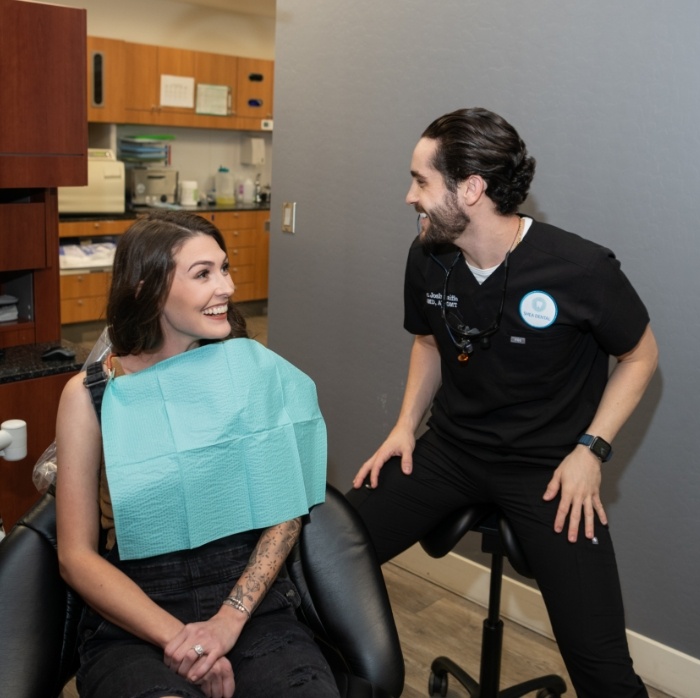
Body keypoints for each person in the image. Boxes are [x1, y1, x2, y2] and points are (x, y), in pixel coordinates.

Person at [346, 108, 658, 698]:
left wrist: (591, 450)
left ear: (471, 189)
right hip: (451, 452)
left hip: (549, 469)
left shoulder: (581, 268)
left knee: (605, 672)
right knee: (326, 557)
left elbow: (641, 357)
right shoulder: (428, 256)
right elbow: (428, 340)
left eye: (420, 181)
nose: (407, 196)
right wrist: (405, 426)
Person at [56, 211, 340, 698]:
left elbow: (286, 513)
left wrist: (228, 621)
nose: (226, 287)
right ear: (148, 288)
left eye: (224, 268)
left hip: (249, 610)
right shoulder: (90, 397)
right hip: (136, 616)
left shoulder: (251, 371)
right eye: (203, 274)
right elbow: (76, 557)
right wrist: (183, 642)